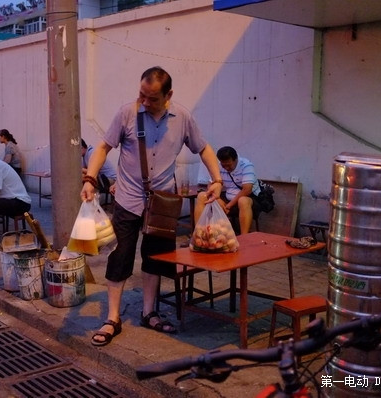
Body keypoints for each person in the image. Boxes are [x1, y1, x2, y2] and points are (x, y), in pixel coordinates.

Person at [80, 66, 223, 346]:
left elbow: (203, 148)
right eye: (141, 95)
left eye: (152, 98)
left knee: (154, 258)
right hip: (128, 199)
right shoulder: (127, 113)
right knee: (120, 257)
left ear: (168, 94)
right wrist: (90, 178)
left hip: (162, 203)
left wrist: (217, 180)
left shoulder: (182, 117)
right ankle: (112, 318)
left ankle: (149, 312)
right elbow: (103, 148)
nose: (145, 102)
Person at [194, 146, 261, 235]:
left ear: (236, 159)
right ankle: (200, 233)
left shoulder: (246, 165)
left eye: (229, 165)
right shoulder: (219, 165)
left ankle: (244, 237)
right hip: (227, 197)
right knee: (202, 196)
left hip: (249, 199)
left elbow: (247, 190)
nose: (226, 168)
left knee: (243, 201)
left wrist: (229, 205)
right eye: (223, 165)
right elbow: (211, 185)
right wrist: (218, 199)